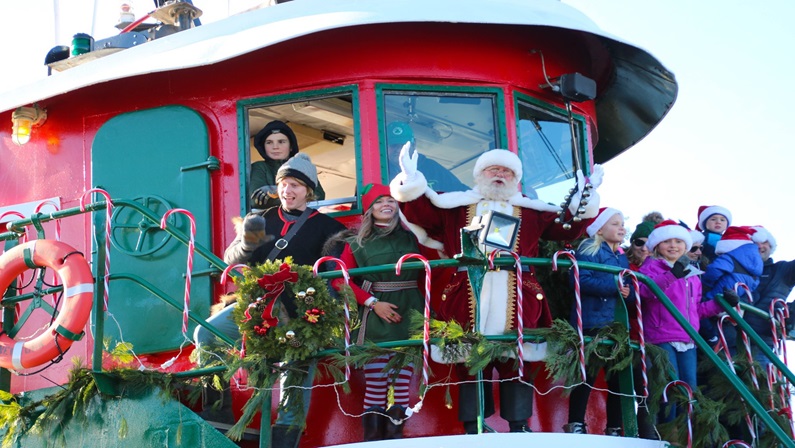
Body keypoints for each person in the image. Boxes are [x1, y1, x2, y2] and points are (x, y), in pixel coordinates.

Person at [390, 145, 604, 433]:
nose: (500, 175)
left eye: (507, 171)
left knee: (518, 361)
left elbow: (567, 227)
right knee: (468, 362)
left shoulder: (532, 210)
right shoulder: (456, 206)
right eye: (494, 170)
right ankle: (472, 426)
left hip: (518, 293)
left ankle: (518, 424)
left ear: (516, 179)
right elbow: (421, 214)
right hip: (467, 292)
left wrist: (584, 197)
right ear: (480, 175)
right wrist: (411, 181)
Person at [195, 152, 345, 448]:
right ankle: (217, 408)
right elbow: (230, 259)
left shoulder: (328, 227)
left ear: (309, 191)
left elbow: (333, 272)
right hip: (257, 304)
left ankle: (286, 433)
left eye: (296, 186)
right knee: (206, 334)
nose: (288, 191)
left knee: (299, 359)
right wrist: (247, 242)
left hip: (302, 309)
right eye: (284, 184)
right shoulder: (260, 219)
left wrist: (325, 313)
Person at [329, 183, 425, 441]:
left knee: (402, 382)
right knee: (377, 380)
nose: (387, 205)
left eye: (391, 201)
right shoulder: (355, 242)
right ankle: (372, 441)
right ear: (369, 209)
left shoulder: (413, 236)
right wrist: (372, 302)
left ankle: (394, 439)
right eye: (380, 201)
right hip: (374, 310)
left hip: (411, 308)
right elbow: (340, 280)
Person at [637, 220, 738, 421]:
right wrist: (671, 276)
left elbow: (696, 310)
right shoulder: (650, 267)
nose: (673, 245)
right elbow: (644, 292)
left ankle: (685, 435)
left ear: (686, 246)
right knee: (667, 386)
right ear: (657, 246)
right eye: (667, 241)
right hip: (661, 335)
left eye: (678, 241)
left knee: (688, 389)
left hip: (688, 337)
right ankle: (663, 433)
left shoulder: (692, 274)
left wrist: (722, 304)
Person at [564, 207, 630, 436]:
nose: (621, 227)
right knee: (587, 375)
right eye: (615, 223)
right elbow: (580, 279)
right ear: (600, 228)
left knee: (617, 379)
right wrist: (615, 288)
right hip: (592, 320)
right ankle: (575, 423)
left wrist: (628, 292)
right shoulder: (589, 248)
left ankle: (614, 426)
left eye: (622, 223)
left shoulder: (621, 255)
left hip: (616, 324)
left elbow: (627, 285)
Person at [700, 226, 763, 353]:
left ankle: (712, 340)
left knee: (698, 310)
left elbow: (714, 270)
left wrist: (705, 284)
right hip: (735, 303)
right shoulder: (757, 263)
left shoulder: (729, 257)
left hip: (718, 295)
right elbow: (755, 284)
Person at [250, 120, 325, 211]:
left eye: (281, 142)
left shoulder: (302, 166)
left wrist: (275, 190)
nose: (275, 147)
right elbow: (255, 200)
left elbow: (319, 196)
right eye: (269, 142)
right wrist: (299, 196)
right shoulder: (259, 167)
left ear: (291, 146)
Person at [385, 121, 468, 192]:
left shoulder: (432, 168)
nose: (399, 149)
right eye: (393, 145)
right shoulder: (379, 172)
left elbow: (462, 192)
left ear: (414, 145)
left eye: (404, 145)